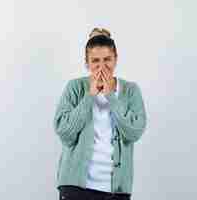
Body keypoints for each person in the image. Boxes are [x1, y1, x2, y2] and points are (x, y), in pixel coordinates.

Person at [53, 27, 147, 200]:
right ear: (87, 63)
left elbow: (134, 132)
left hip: (116, 191)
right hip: (75, 188)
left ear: (116, 59)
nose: (102, 66)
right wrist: (90, 96)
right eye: (95, 60)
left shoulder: (131, 91)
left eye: (107, 60)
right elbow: (65, 133)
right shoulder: (75, 87)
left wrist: (111, 96)